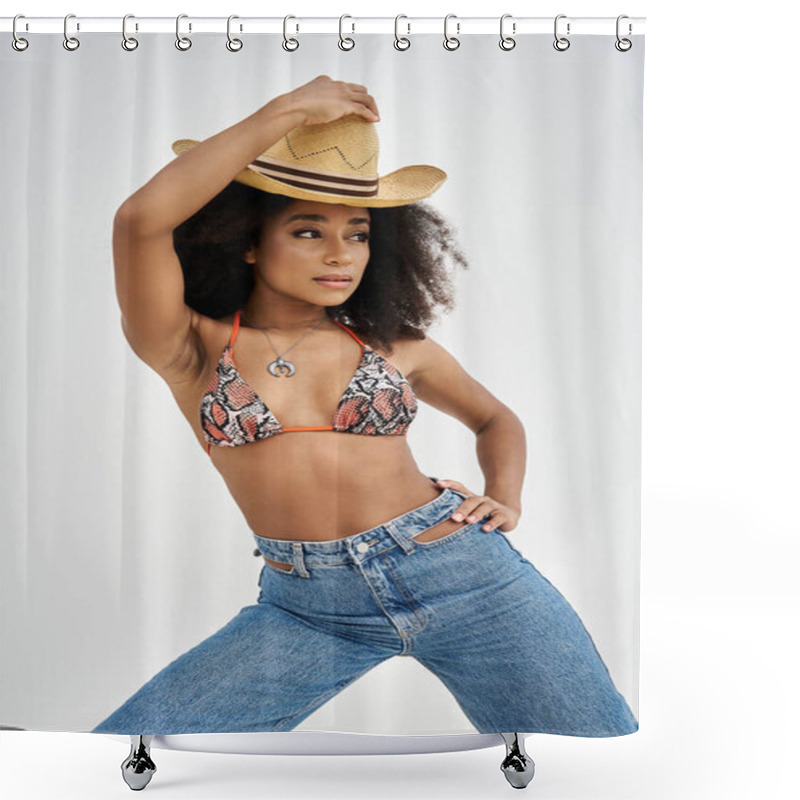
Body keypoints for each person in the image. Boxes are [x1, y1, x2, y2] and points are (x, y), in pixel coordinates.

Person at [91, 75, 638, 737]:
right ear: (249, 241)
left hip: (469, 580)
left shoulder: (394, 344)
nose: (339, 254)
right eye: (308, 231)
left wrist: (506, 495)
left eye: (357, 233)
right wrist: (286, 111)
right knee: (133, 751)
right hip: (307, 607)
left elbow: (496, 418)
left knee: (593, 759)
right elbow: (139, 221)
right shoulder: (191, 347)